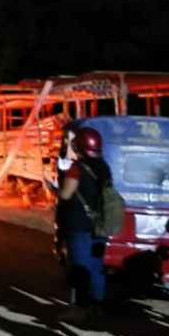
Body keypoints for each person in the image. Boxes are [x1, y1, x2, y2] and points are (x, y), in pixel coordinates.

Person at [54, 126, 112, 324]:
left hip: (79, 225)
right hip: (100, 224)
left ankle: (78, 310)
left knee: (79, 267)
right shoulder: (104, 168)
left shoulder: (77, 169)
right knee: (97, 267)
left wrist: (55, 190)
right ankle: (98, 308)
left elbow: (66, 194)